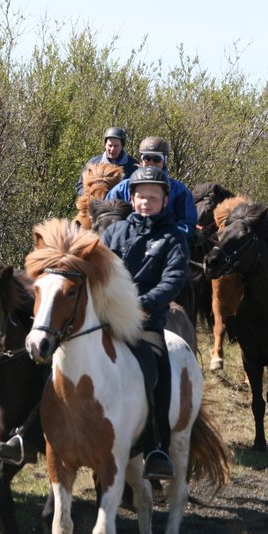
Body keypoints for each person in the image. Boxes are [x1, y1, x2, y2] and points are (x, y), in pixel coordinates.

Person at [102, 165, 189, 480]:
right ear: (132, 198)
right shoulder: (113, 232)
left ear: (165, 201)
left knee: (157, 371)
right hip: (105, 319)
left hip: (145, 323)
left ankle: (157, 447)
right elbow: (97, 270)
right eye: (141, 196)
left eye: (153, 197)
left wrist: (143, 305)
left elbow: (173, 281)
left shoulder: (173, 238)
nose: (146, 202)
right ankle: (29, 431)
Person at [105, 136, 197, 239]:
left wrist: (165, 239)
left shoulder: (180, 191)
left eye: (156, 159)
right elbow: (107, 218)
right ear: (141, 160)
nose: (151, 163)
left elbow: (186, 224)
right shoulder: (122, 188)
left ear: (165, 161)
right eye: (147, 158)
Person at [75, 127, 138, 195]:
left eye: (116, 146)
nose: (112, 149)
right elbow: (80, 185)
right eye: (110, 145)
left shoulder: (133, 165)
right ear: (105, 145)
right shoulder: (94, 163)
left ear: (122, 146)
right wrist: (90, 194)